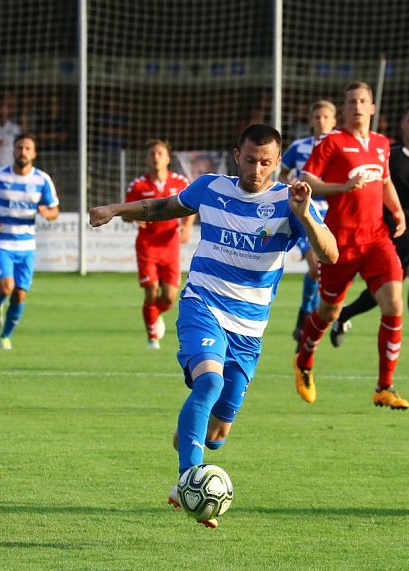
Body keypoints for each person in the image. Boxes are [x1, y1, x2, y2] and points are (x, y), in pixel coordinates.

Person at [89, 123, 337, 528]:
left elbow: (331, 255)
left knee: (217, 432)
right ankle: (190, 478)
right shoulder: (211, 188)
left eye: (266, 162)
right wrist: (115, 210)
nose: (257, 169)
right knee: (209, 382)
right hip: (202, 303)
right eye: (251, 159)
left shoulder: (290, 202)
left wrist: (306, 215)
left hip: (249, 329)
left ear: (278, 164)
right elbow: (164, 207)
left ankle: (192, 441)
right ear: (236, 155)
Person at [293, 80, 409, 410]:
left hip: (376, 240)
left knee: (393, 303)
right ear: (343, 109)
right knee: (328, 311)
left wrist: (396, 210)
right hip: (338, 244)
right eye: (351, 101)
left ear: (372, 108)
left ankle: (384, 387)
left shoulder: (382, 144)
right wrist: (343, 186)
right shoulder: (332, 142)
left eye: (362, 101)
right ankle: (304, 360)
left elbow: (384, 180)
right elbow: (309, 181)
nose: (357, 106)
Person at [330, 101, 409, 366]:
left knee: (388, 293)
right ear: (402, 124)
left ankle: (342, 315)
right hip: (388, 228)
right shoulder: (390, 153)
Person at [0, 134, 59, 350]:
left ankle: (5, 336)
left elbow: (54, 210)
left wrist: (47, 213)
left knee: (20, 294)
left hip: (27, 245)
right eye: (19, 147)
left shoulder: (42, 180)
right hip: (1, 241)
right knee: (6, 288)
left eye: (27, 148)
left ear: (34, 153)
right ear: (13, 151)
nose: (23, 152)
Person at [278, 100, 338, 346]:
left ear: (334, 121)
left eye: (326, 117)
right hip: (306, 211)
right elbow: (282, 173)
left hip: (333, 213)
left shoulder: (341, 146)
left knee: (328, 270)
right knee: (315, 267)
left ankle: (323, 314)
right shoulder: (299, 147)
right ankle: (306, 314)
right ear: (311, 120)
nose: (321, 121)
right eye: (317, 117)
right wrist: (289, 186)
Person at [124, 139, 194, 349]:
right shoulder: (138, 185)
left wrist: (188, 226)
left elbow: (192, 206)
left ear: (168, 158)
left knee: (169, 298)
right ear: (146, 159)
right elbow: (125, 212)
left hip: (170, 245)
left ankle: (155, 313)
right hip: (147, 245)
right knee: (151, 290)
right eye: (152, 154)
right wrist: (134, 217)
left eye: (159, 153)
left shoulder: (180, 182)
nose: (155, 157)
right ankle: (152, 337)